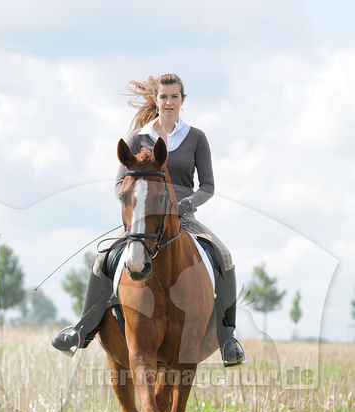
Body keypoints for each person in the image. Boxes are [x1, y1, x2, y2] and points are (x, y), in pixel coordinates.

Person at [52, 73, 246, 366]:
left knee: (224, 256)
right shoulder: (137, 138)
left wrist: (186, 204)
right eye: (164, 97)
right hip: (142, 222)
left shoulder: (196, 138)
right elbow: (119, 185)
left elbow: (207, 185)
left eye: (174, 97)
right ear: (156, 100)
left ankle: (228, 338)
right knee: (101, 261)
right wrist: (134, 205)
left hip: (183, 217)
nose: (169, 102)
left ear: (183, 100)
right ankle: (82, 330)